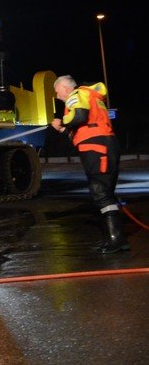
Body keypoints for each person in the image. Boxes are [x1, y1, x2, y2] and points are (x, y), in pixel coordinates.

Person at [50, 75, 129, 254]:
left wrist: (62, 121)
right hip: (101, 145)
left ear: (64, 88)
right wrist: (63, 129)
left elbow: (79, 116)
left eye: (57, 91)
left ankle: (116, 239)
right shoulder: (88, 96)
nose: (57, 95)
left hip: (97, 147)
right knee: (104, 192)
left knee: (100, 191)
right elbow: (82, 128)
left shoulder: (76, 95)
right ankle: (112, 238)